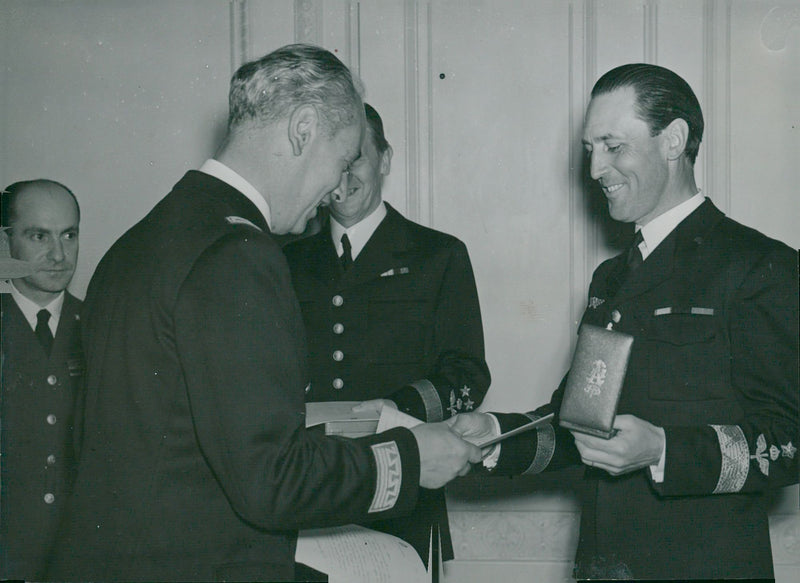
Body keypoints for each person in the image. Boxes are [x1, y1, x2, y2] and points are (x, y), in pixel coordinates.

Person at [47, 44, 481, 582]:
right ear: (303, 130)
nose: (334, 190)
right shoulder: (240, 255)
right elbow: (271, 481)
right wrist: (410, 459)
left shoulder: (141, 239)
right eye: (341, 161)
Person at [451, 63, 799, 582]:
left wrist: (663, 450)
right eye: (591, 148)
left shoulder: (757, 265)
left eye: (613, 146)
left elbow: (789, 441)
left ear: (674, 140)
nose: (595, 169)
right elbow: (579, 424)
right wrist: (495, 437)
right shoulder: (611, 278)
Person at [284, 102, 491, 567]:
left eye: (356, 157)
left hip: (404, 483)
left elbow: (468, 375)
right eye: (334, 161)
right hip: (310, 486)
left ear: (385, 159)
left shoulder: (438, 255)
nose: (344, 176)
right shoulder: (286, 261)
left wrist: (401, 408)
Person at [0, 179, 83, 581]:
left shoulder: (103, 326)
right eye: (38, 236)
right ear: (6, 242)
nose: (58, 254)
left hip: (77, 558)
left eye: (69, 235)